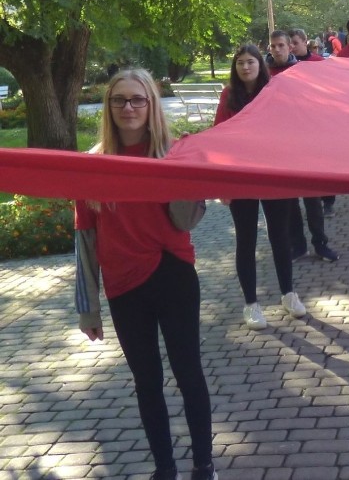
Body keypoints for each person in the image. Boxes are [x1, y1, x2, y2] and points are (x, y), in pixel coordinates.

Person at [75, 69, 216, 480]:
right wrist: (88, 308)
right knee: (147, 381)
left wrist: (184, 176)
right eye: (119, 100)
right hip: (124, 286)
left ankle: (204, 464)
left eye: (138, 99)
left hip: (173, 276)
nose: (129, 107)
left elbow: (186, 220)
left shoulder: (174, 155)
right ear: (109, 107)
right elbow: (85, 241)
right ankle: (164, 468)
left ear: (151, 104)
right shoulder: (93, 166)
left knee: (189, 372)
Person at [214, 45, 306, 330]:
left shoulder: (273, 91)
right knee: (246, 240)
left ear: (259, 64)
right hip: (240, 177)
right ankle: (251, 304)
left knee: (280, 236)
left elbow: (290, 131)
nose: (245, 67)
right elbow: (218, 135)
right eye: (240, 63)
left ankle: (288, 293)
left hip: (272, 174)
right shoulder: (229, 96)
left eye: (250, 62)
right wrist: (222, 183)